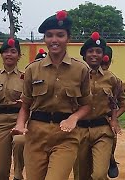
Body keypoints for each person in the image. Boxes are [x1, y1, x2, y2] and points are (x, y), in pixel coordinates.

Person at [11, 10, 92, 180]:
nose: (54, 40)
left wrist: (74, 118)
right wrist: (20, 124)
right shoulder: (33, 69)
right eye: (49, 35)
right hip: (36, 136)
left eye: (60, 35)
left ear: (68, 38)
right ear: (44, 39)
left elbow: (86, 105)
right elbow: (25, 105)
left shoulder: (81, 69)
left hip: (66, 137)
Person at [74, 32, 122, 180]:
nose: (94, 54)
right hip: (79, 131)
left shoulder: (111, 78)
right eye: (90, 51)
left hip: (102, 130)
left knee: (100, 175)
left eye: (98, 51)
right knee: (82, 175)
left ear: (103, 55)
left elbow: (115, 101)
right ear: (84, 54)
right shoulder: (75, 75)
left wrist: (114, 119)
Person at [0, 38, 24, 180]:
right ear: (1, 54)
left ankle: (18, 175)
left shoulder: (25, 77)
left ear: (19, 55)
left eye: (13, 51)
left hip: (20, 119)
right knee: (1, 171)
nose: (9, 54)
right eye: (6, 52)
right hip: (0, 122)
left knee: (20, 142)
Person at [101, 46, 125, 178]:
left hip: (106, 123)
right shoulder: (82, 78)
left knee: (108, 149)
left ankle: (110, 159)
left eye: (105, 63)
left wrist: (113, 119)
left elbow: (122, 105)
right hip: (85, 123)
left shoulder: (115, 81)